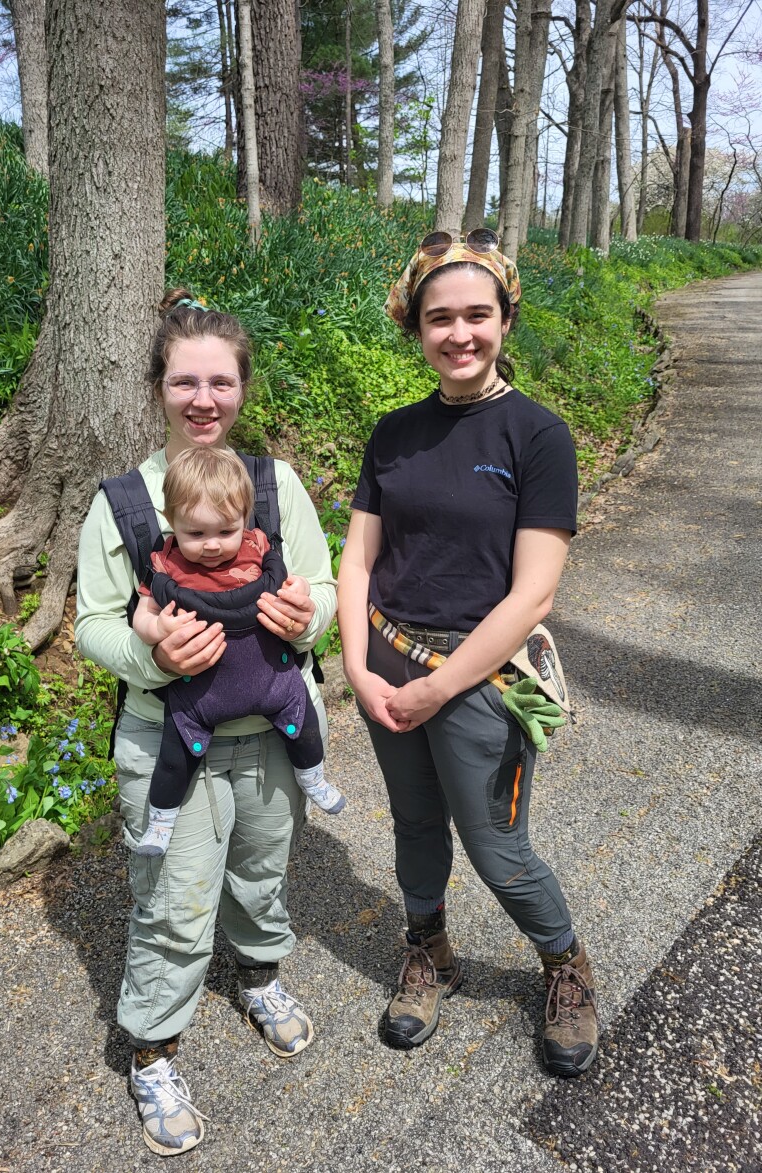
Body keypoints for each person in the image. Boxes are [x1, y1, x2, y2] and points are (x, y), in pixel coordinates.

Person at [75, 289, 337, 1155]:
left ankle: (259, 973)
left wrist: (308, 618)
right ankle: (152, 1044)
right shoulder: (122, 503)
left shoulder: (273, 484)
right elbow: (94, 624)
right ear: (158, 388)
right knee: (174, 899)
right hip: (168, 737)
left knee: (263, 868)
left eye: (220, 381)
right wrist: (155, 655)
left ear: (242, 388)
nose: (203, 400)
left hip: (268, 726)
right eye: (184, 381)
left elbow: (325, 591)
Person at [337, 229, 598, 1078]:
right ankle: (429, 951)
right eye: (438, 318)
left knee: (498, 847)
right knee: (415, 823)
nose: (459, 334)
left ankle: (563, 963)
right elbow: (358, 559)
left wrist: (437, 687)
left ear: (505, 319)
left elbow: (533, 595)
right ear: (415, 327)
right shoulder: (394, 433)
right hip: (388, 659)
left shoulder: (537, 435)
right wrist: (356, 664)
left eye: (476, 315)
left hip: (482, 673)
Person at [131, 445, 344, 857]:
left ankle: (313, 776)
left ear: (245, 520)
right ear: (171, 522)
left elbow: (298, 585)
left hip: (270, 674)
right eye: (195, 533)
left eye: (226, 531)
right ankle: (161, 821)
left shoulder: (259, 548)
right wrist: (157, 629)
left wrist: (299, 595)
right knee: (175, 757)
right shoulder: (166, 564)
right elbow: (145, 610)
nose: (211, 545)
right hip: (199, 690)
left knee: (304, 724)